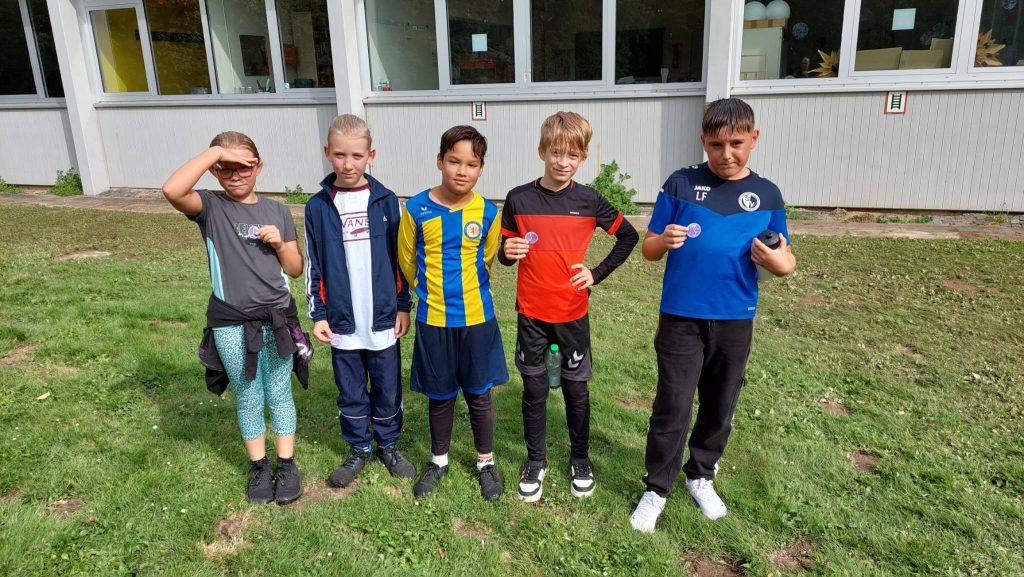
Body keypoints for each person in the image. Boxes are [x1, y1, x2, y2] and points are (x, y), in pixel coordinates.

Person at [629, 98, 797, 532]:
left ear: (753, 139)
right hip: (680, 317)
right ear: (703, 140)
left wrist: (775, 261)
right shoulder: (680, 184)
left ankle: (700, 475)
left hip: (735, 317)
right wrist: (663, 240)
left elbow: (786, 261)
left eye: (737, 143)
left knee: (721, 403)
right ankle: (657, 487)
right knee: (673, 403)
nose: (726, 154)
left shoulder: (768, 194)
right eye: (717, 144)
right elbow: (649, 250)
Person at [498, 111, 638, 502]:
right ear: (541, 151)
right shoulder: (518, 198)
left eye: (573, 155)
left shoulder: (589, 200)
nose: (563, 162)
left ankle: (580, 459)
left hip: (572, 313)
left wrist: (596, 273)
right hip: (531, 313)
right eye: (556, 153)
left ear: (583, 157)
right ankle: (535, 460)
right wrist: (507, 252)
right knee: (535, 391)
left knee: (576, 392)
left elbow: (628, 236)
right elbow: (506, 253)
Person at [162, 131, 307, 505]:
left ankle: (286, 465)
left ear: (259, 167)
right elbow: (172, 190)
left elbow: (295, 269)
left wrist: (279, 244)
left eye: (244, 167)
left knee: (279, 392)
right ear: (213, 171)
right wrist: (215, 152)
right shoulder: (210, 206)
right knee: (248, 394)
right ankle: (259, 467)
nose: (235, 175)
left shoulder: (278, 211)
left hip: (277, 317)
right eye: (224, 168)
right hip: (230, 321)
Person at [397, 125, 508, 501]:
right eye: (454, 161)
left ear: (481, 169)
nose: (462, 171)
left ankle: (486, 463)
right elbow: (407, 261)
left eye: (471, 164)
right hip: (434, 320)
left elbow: (487, 259)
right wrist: (430, 293)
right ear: (439, 161)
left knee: (479, 394)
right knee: (440, 394)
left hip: (477, 319)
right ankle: (438, 460)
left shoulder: (488, 212)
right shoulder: (416, 208)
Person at [304, 114, 415, 488]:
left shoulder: (387, 201)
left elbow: (402, 261)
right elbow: (314, 264)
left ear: (371, 155)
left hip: (383, 318)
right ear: (327, 153)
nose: (348, 164)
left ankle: (388, 445)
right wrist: (319, 314)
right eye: (340, 155)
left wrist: (403, 305)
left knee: (387, 388)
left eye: (356, 155)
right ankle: (359, 448)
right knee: (350, 391)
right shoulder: (318, 207)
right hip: (342, 321)